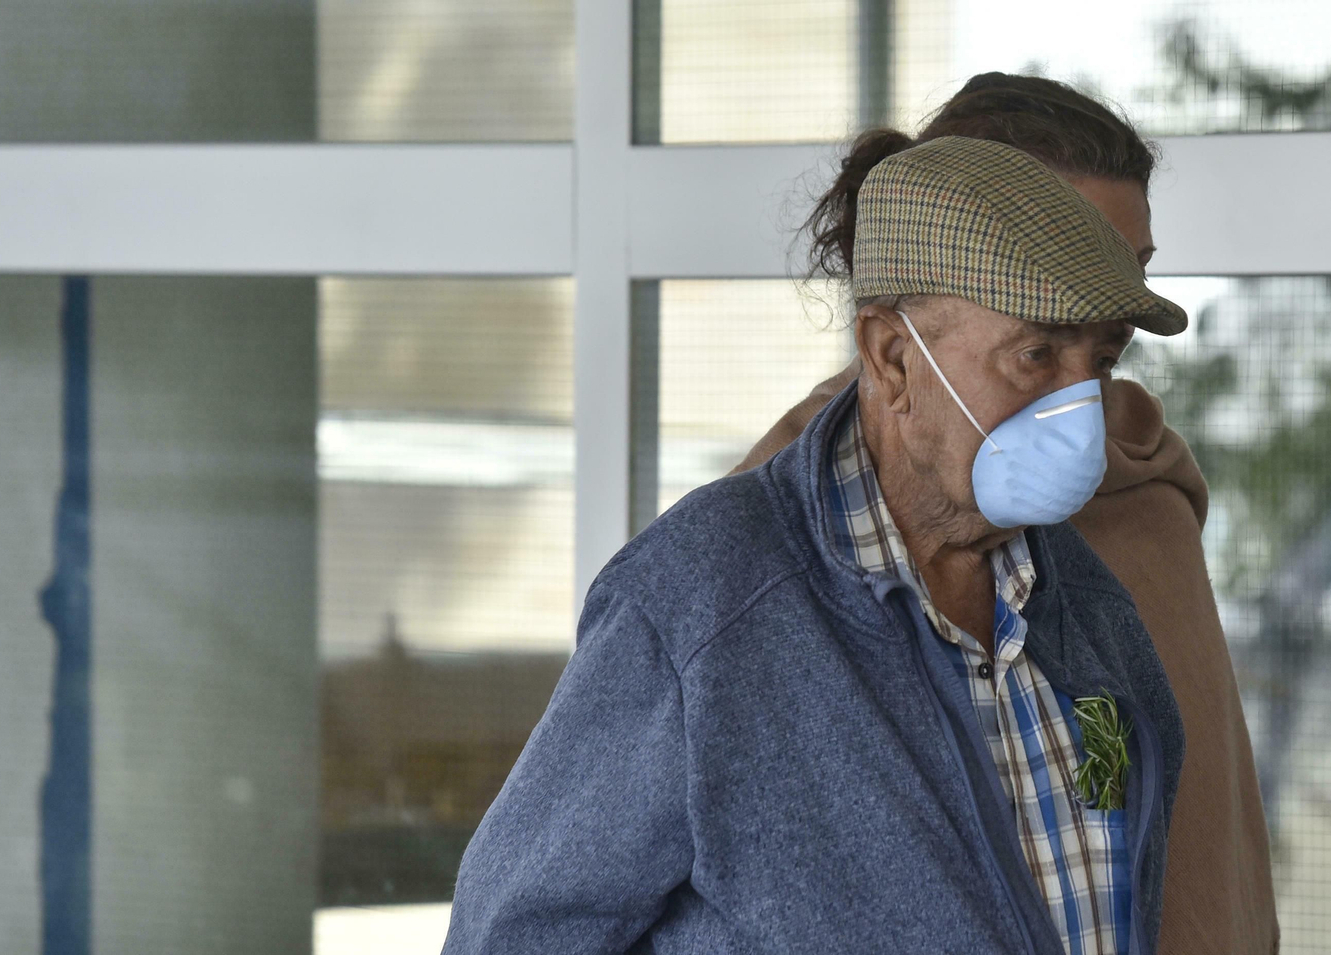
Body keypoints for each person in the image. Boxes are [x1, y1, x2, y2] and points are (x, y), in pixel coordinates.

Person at [445, 126, 1192, 953]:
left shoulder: (1090, 612)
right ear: (893, 358)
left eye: (1102, 360)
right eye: (1036, 354)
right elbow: (510, 933)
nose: (1080, 405)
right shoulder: (705, 603)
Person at [736, 73, 1278, 954]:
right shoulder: (768, 538)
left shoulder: (1142, 485)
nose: (1101, 313)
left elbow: (1203, 837)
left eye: (1127, 275)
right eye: (1062, 271)